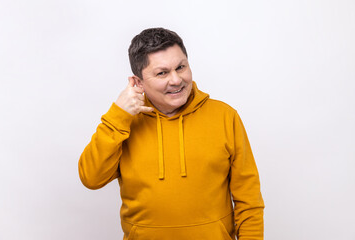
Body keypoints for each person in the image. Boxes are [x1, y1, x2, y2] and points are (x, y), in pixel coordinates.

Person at [78, 27, 264, 240]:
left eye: (181, 67)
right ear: (138, 82)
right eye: (162, 73)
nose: (176, 80)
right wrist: (117, 116)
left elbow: (249, 201)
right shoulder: (123, 123)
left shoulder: (225, 116)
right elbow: (91, 178)